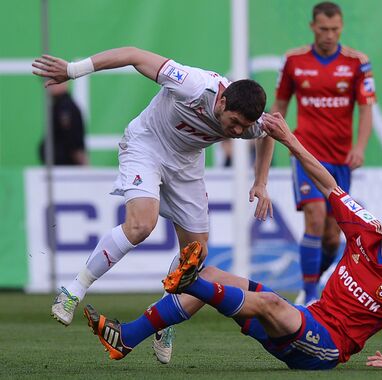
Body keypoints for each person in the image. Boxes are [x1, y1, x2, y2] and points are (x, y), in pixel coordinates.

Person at [84, 112, 382, 371]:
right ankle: (128, 337)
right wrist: (289, 140)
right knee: (212, 273)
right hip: (305, 320)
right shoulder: (368, 229)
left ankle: (188, 282)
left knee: (268, 300)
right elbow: (327, 184)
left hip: (325, 349)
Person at [32, 47, 274, 362]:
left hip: (185, 167)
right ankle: (73, 291)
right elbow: (133, 54)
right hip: (146, 146)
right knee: (141, 224)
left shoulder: (248, 122)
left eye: (244, 127)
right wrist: (73, 70)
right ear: (222, 101)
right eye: (235, 123)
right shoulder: (192, 84)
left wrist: (261, 181)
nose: (239, 132)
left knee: (195, 258)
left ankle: (162, 318)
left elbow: (268, 132)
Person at [270, 2, 376, 304]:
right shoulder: (293, 61)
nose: (329, 35)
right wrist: (272, 136)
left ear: (341, 28)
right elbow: (280, 105)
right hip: (305, 152)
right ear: (312, 27)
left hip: (340, 159)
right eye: (323, 29)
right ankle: (312, 295)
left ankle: (310, 283)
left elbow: (366, 109)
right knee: (314, 218)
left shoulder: (357, 62)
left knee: (332, 237)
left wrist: (360, 147)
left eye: (335, 29)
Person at [39, 81, 89, 165]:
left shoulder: (66, 107)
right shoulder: (58, 106)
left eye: (53, 80)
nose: (48, 85)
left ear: (65, 82)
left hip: (66, 169)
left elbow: (74, 143)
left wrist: (84, 165)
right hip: (59, 167)